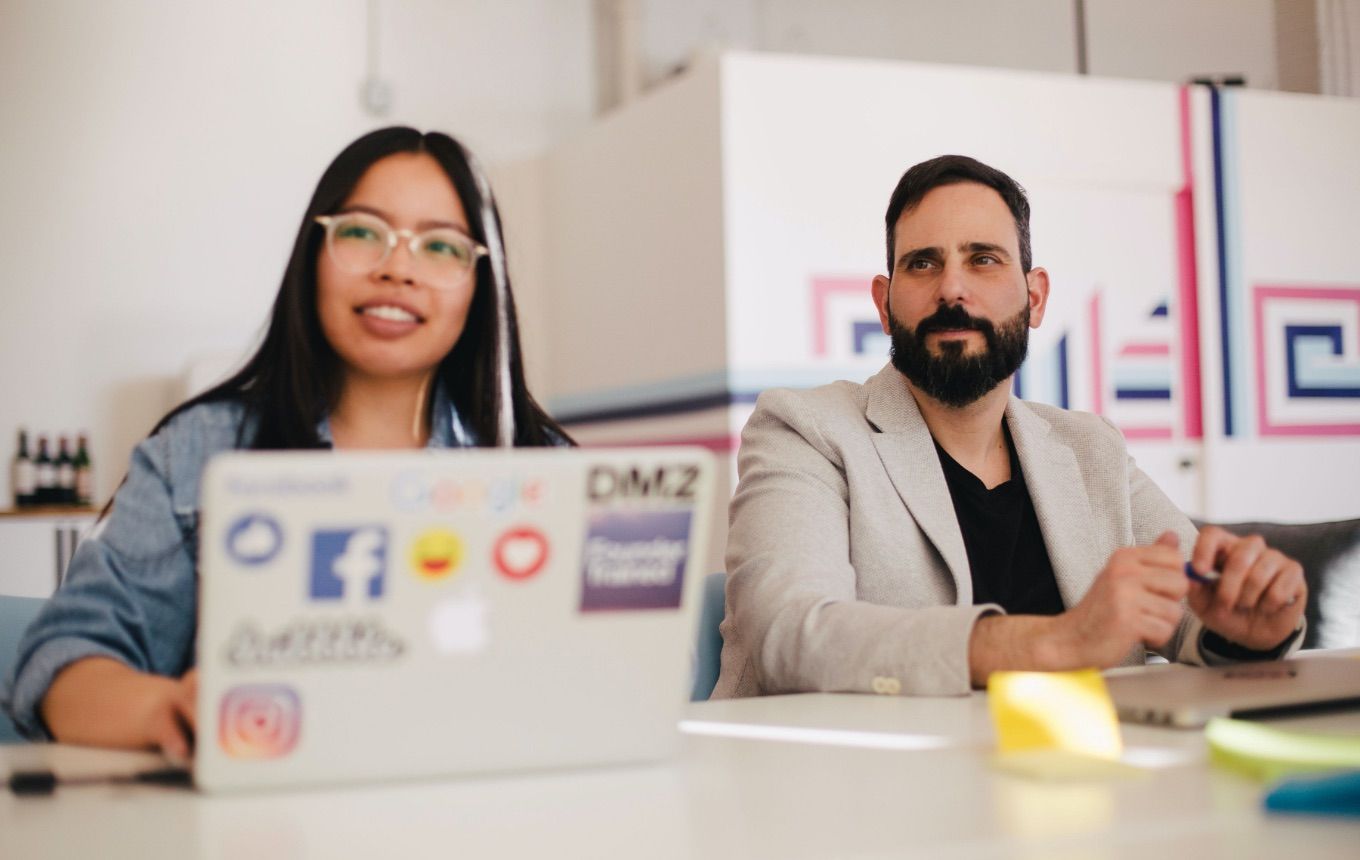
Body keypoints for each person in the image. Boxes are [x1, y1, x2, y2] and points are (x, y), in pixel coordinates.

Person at [1, 127, 569, 754]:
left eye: (440, 246)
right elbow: (63, 660)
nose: (397, 268)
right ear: (313, 257)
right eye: (362, 232)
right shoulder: (197, 453)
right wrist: (168, 709)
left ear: (481, 285)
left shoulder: (547, 469)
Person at [713, 155, 1306, 699]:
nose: (952, 288)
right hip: (857, 777)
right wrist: (1057, 643)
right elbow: (790, 636)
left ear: (1035, 297)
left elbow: (1195, 610)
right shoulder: (806, 430)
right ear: (885, 304)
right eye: (923, 264)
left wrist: (1248, 626)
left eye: (983, 259)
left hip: (1076, 772)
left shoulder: (1090, 448)